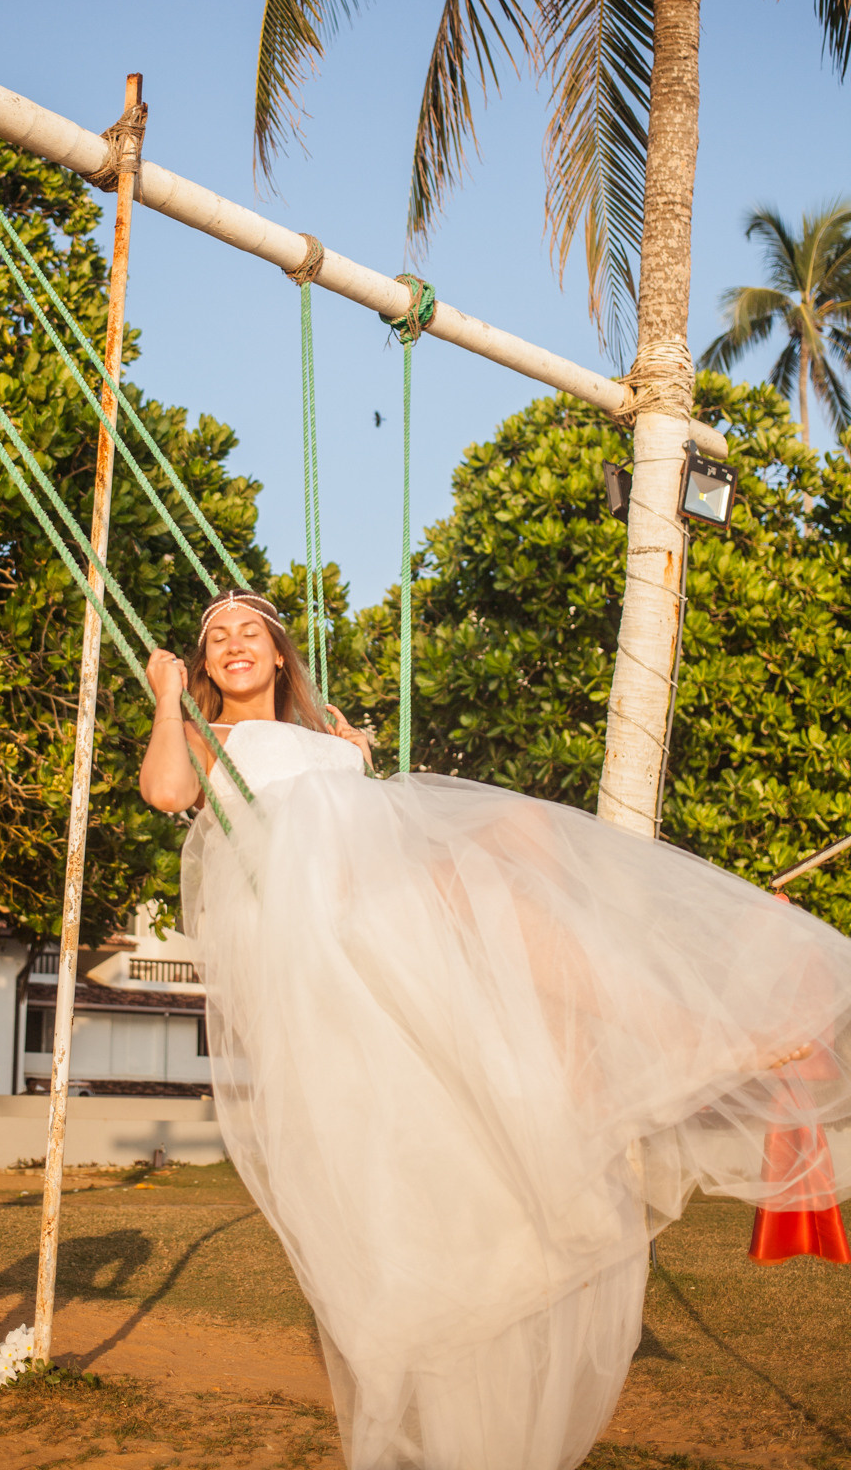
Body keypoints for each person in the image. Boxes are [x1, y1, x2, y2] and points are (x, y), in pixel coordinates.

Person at [141, 590, 851, 1470]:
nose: (234, 644)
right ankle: (675, 1046)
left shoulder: (331, 739)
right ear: (205, 666)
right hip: (321, 923)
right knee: (499, 881)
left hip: (375, 896)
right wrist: (167, 697)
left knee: (520, 861)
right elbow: (166, 790)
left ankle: (639, 1057)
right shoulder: (213, 740)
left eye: (250, 632)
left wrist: (351, 755)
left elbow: (362, 802)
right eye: (216, 640)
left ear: (281, 654)